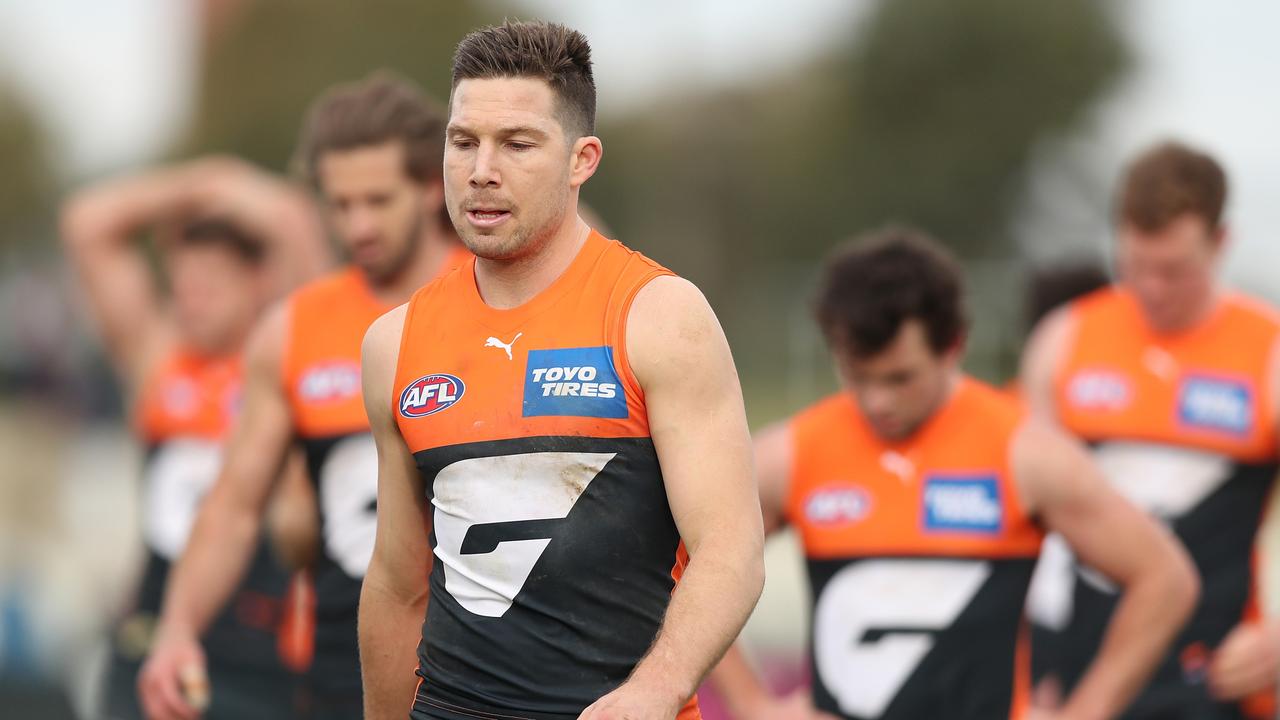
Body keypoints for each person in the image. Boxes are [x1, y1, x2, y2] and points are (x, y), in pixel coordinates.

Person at [358, 20, 766, 720]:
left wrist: (654, 691)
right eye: (464, 143)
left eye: (517, 144)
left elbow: (730, 553)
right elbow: (399, 586)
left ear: (583, 160)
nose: (482, 169)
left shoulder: (659, 317)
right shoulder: (395, 342)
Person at [708, 227, 1198, 720]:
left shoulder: (1026, 455)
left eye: (900, 378)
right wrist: (753, 704)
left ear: (953, 346)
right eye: (857, 375)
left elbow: (1165, 579)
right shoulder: (792, 454)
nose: (878, 401)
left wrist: (1085, 713)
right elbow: (681, 562)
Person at [138, 73, 470, 720]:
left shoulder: (497, 297)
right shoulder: (294, 329)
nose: (359, 225)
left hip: (491, 667)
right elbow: (233, 508)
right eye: (340, 205)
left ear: (433, 186)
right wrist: (177, 628)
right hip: (345, 672)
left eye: (378, 200)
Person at [60, 156, 331, 719]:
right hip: (149, 637)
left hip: (256, 657)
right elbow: (88, 224)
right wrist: (196, 184)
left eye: (210, 285)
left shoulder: (289, 357)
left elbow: (294, 222)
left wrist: (228, 183)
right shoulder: (159, 359)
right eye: (182, 285)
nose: (191, 300)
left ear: (257, 282)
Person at [1024, 141, 1280, 719]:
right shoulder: (1063, 342)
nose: (1152, 288)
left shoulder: (1267, 352)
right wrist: (1030, 669)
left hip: (1216, 678)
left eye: (1173, 270)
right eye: (1134, 265)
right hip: (1080, 671)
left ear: (1220, 244)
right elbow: (1025, 526)